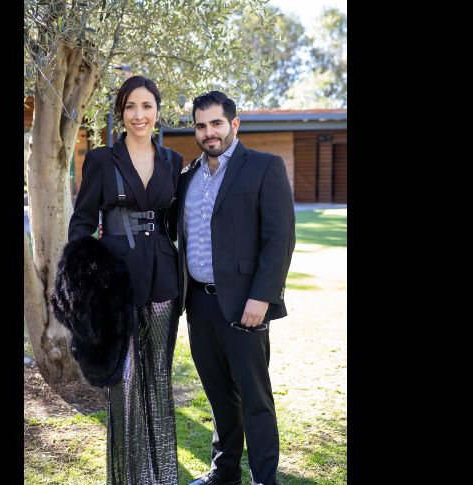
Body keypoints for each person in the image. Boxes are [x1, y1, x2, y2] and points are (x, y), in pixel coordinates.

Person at [66, 75, 183, 484]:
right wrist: (86, 287)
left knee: (158, 380)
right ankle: (128, 477)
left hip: (165, 283)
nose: (139, 115)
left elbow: (173, 221)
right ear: (121, 112)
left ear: (157, 111)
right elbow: (81, 226)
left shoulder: (173, 161)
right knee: (126, 382)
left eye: (147, 106)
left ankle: (161, 475)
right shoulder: (100, 160)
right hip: (117, 289)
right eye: (131, 106)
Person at [175, 91, 295, 485]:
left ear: (234, 124)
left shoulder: (263, 166)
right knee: (219, 396)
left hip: (246, 304)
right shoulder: (189, 176)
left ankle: (264, 478)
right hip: (198, 304)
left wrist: (262, 296)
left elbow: (279, 238)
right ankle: (223, 472)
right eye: (201, 125)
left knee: (255, 399)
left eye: (216, 123)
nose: (209, 133)